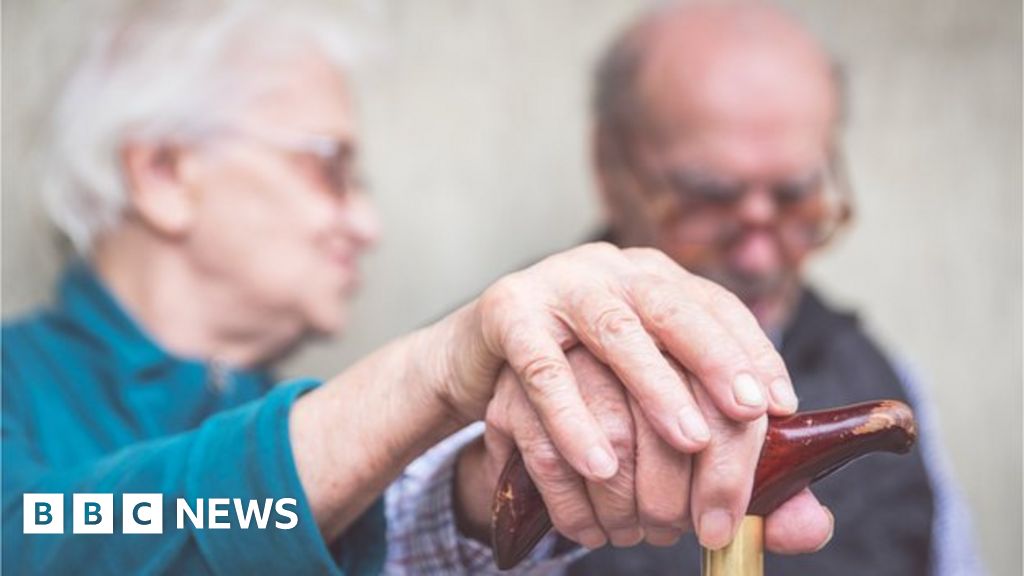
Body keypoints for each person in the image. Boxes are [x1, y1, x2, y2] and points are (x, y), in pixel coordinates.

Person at [1, 1, 833, 574]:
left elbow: (368, 541)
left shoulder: (302, 417)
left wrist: (518, 474)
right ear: (162, 173)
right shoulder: (16, 386)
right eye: (329, 170)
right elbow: (39, 541)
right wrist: (429, 372)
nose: (367, 225)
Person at [566, 2, 982, 575]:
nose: (759, 256)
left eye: (794, 197)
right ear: (609, 169)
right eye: (708, 198)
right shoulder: (504, 393)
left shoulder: (887, 381)